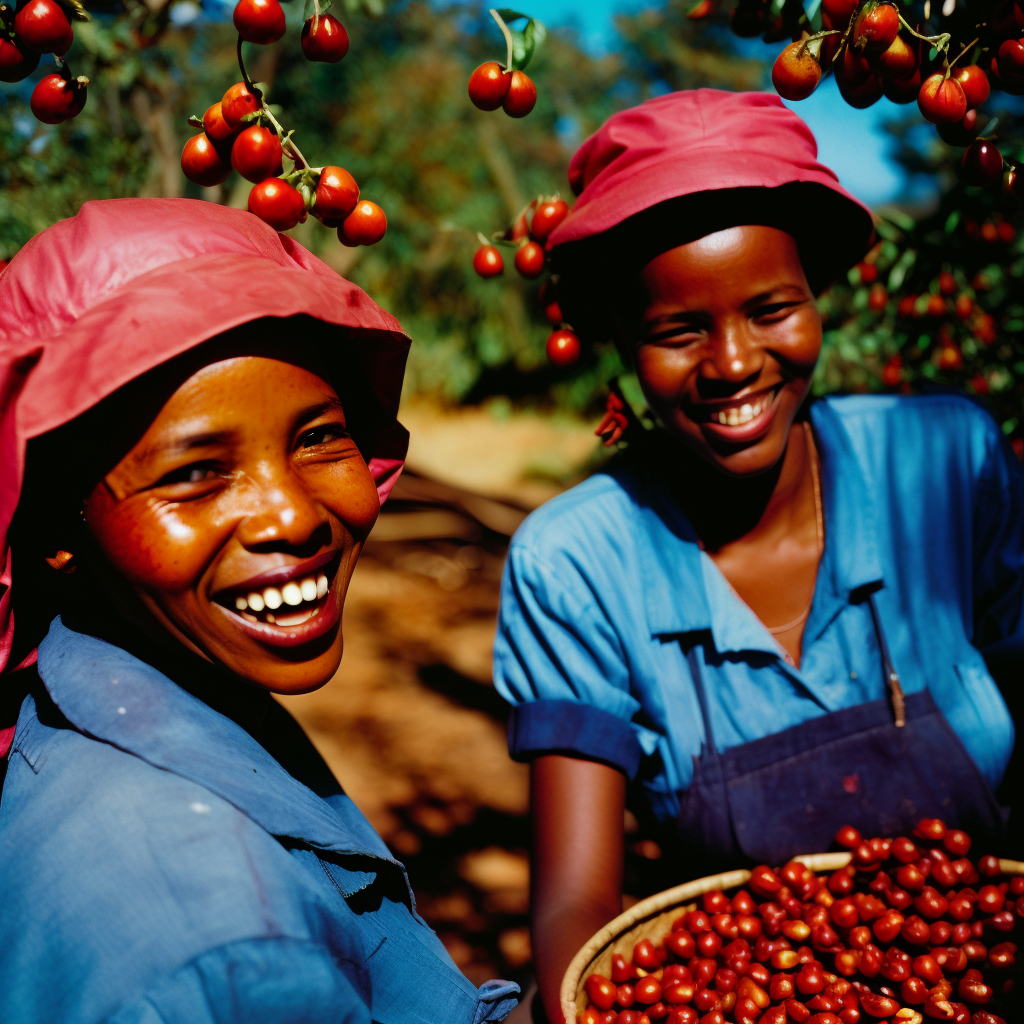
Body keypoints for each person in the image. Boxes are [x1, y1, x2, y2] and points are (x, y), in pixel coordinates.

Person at [491, 89, 1023, 1023]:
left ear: (817, 297)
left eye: (771, 307)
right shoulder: (577, 563)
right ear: (623, 342)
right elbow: (578, 908)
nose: (733, 363)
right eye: (676, 331)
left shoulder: (946, 464)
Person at [0, 198, 519, 1024]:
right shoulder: (225, 949)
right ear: (57, 526)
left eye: (318, 439)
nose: (294, 516)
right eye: (196, 473)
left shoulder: (165, 687)